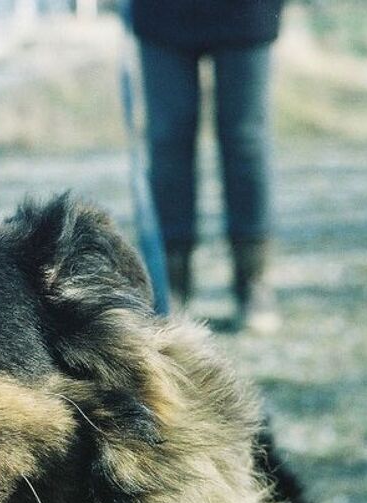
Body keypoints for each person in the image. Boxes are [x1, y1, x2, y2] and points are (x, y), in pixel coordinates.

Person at [131, 0, 283, 332]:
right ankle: (170, 285)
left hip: (246, 11)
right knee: (168, 140)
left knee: (245, 140)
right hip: (163, 12)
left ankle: (253, 282)